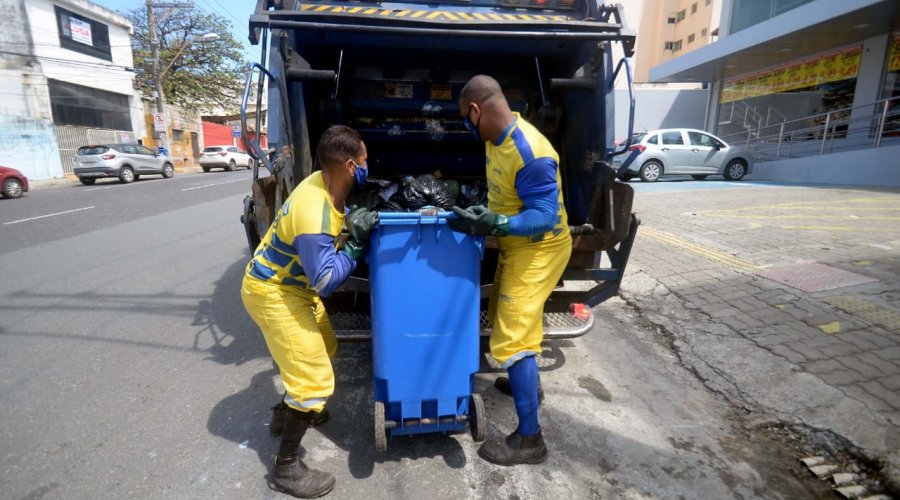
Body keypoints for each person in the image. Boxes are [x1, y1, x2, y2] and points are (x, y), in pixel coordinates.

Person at [241, 125, 378, 498]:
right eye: (364, 160)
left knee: (326, 347)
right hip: (274, 292)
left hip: (292, 288)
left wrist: (350, 224)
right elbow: (326, 281)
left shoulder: (323, 181)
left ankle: (287, 412)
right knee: (315, 378)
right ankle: (286, 466)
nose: (369, 165)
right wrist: (356, 245)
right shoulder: (314, 212)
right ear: (351, 165)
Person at [450, 75, 571, 466]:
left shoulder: (530, 151)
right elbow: (503, 196)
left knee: (512, 338)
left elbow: (543, 217)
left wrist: (495, 225)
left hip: (539, 247)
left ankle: (530, 439)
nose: (468, 129)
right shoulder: (494, 140)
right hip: (516, 246)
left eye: (466, 120)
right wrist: (486, 215)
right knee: (513, 318)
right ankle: (528, 386)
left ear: (475, 110)